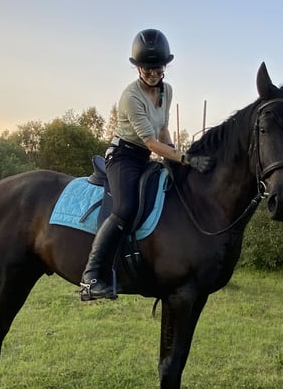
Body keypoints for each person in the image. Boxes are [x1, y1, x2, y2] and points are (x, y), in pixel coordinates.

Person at [79, 28, 212, 301]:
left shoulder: (167, 91)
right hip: (123, 156)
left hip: (145, 156)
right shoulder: (131, 97)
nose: (152, 73)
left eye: (157, 67)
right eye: (146, 67)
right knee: (125, 207)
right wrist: (185, 158)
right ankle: (91, 276)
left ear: (165, 66)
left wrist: (174, 159)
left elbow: (162, 132)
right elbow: (150, 142)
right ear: (137, 67)